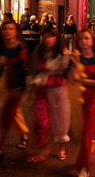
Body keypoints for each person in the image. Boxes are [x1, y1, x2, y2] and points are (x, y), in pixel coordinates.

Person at [68, 28, 95, 177]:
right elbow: (71, 78)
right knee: (82, 135)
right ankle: (87, 159)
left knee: (88, 134)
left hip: (94, 102)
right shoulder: (76, 59)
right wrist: (75, 63)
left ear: (92, 41)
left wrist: (82, 80)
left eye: (86, 38)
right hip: (80, 101)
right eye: (81, 38)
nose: (83, 41)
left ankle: (85, 167)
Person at [28, 25, 71, 162]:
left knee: (60, 119)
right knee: (41, 119)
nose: (48, 39)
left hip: (57, 87)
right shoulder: (38, 51)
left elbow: (65, 71)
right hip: (42, 87)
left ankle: (61, 147)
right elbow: (34, 70)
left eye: (51, 36)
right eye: (45, 36)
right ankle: (43, 148)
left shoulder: (62, 53)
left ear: (56, 37)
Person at [0, 21, 30, 158]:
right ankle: (24, 136)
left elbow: (21, 69)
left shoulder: (21, 48)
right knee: (14, 112)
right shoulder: (1, 47)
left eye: (11, 29)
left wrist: (17, 88)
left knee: (8, 113)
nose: (7, 31)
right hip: (6, 84)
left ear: (16, 32)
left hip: (16, 86)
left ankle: (1, 146)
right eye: (5, 29)